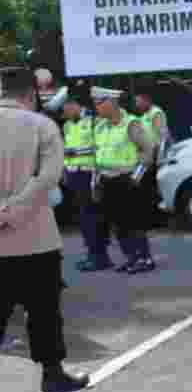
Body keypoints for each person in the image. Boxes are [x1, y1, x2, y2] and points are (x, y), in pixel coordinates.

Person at [0, 67, 90, 392]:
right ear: (31, 93)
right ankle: (52, 376)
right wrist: (13, 211)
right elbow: (48, 179)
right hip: (36, 239)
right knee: (44, 313)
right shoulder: (42, 126)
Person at [91, 87, 157, 274]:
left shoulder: (131, 124)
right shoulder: (100, 126)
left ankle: (144, 258)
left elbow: (147, 151)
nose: (96, 108)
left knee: (133, 222)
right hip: (106, 180)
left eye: (99, 104)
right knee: (117, 224)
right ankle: (131, 258)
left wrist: (135, 178)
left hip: (127, 180)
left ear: (111, 103)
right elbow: (97, 155)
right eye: (95, 104)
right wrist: (95, 182)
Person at [59, 96, 106, 271]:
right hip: (74, 174)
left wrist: (75, 152)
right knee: (84, 217)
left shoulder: (93, 121)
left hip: (90, 174)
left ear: (75, 106)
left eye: (66, 109)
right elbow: (65, 150)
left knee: (91, 217)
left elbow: (100, 147)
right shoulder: (67, 125)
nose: (64, 114)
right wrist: (64, 170)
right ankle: (93, 255)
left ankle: (98, 257)